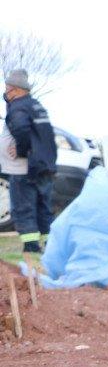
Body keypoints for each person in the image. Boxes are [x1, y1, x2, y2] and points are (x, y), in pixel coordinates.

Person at [3, 70, 57, 253]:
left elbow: (21, 129)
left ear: (15, 90)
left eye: (7, 90)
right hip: (43, 166)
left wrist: (20, 150)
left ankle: (31, 246)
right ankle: (50, 245)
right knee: (44, 208)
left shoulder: (18, 107)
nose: (5, 94)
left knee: (24, 208)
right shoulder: (36, 106)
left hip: (24, 168)